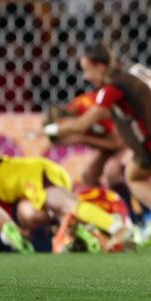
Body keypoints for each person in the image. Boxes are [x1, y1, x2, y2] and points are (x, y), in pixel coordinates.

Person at [40, 43, 151, 251]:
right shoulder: (135, 70)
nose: (85, 77)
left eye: (87, 70)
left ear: (99, 66)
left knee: (133, 176)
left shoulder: (111, 89)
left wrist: (53, 130)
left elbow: (83, 125)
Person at [0, 139, 133, 253]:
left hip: (33, 174)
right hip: (30, 188)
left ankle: (116, 226)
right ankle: (105, 238)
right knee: (66, 217)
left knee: (69, 205)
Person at [44, 91, 140, 225]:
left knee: (111, 171)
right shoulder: (71, 115)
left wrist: (82, 139)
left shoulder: (88, 112)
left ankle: (134, 218)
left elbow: (117, 142)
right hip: (113, 141)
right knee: (88, 176)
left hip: (133, 136)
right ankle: (103, 215)